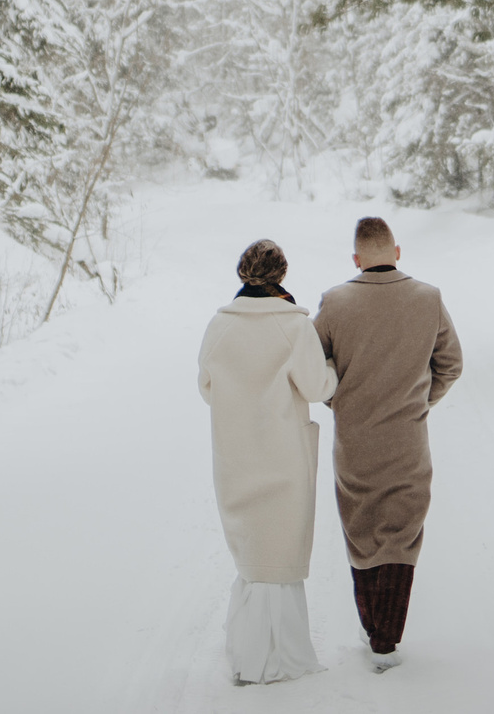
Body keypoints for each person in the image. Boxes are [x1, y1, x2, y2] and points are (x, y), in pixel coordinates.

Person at [315, 215, 462, 671]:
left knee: (361, 534)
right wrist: (419, 402)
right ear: (397, 252)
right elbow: (451, 365)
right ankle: (386, 636)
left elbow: (311, 367)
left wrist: (338, 399)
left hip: (354, 444)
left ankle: (372, 625)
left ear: (356, 259)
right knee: (401, 536)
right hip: (408, 441)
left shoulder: (335, 303)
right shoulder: (428, 298)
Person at [197, 237, 337, 685]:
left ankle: (249, 649)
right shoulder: (293, 325)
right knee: (280, 552)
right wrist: (334, 369)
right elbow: (318, 387)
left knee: (253, 552)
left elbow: (206, 386)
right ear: (281, 275)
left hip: (237, 452)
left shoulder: (219, 325)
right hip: (282, 454)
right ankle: (277, 657)